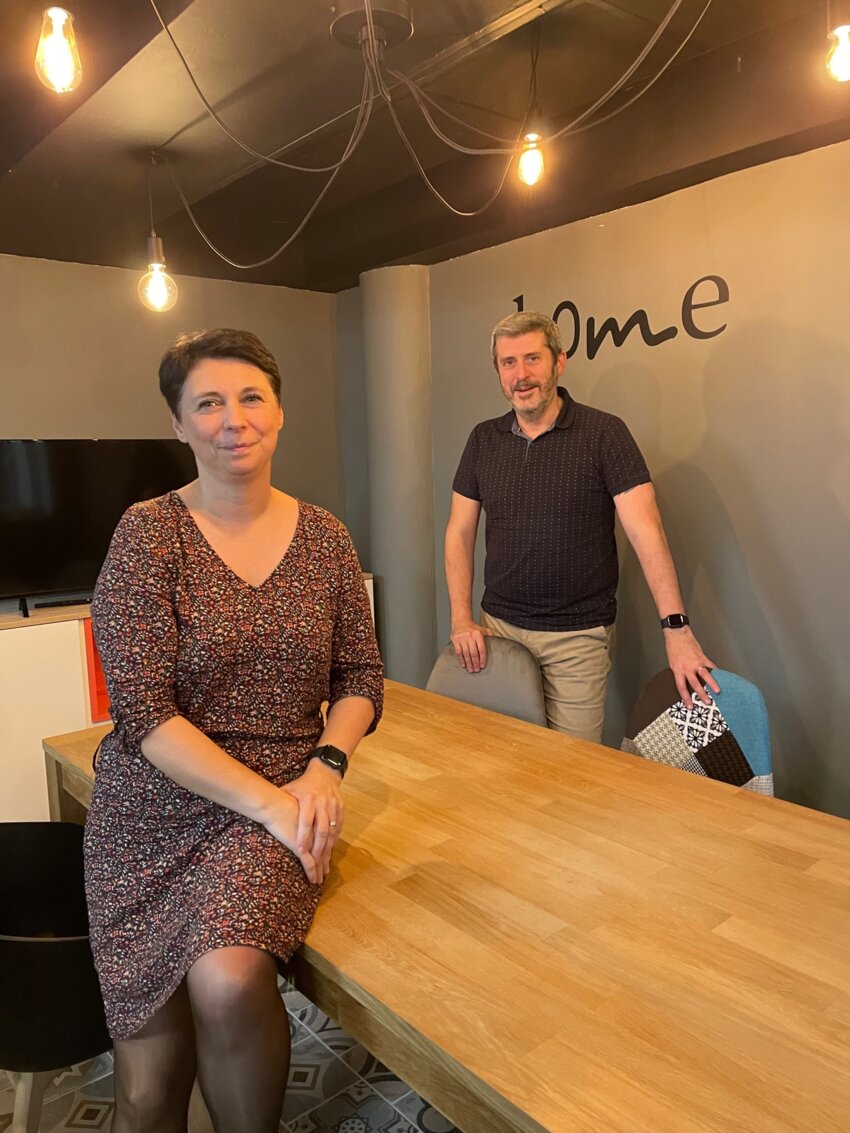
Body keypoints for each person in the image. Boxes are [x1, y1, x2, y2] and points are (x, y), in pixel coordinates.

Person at [83, 328, 383, 1133]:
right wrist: (277, 806)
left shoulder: (325, 538)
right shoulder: (147, 535)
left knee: (227, 980)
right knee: (149, 1089)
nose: (233, 418)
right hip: (152, 816)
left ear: (279, 411)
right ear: (179, 424)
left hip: (272, 807)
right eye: (208, 402)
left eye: (251, 397)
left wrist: (325, 767)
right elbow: (145, 714)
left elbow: (360, 677)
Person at [445, 310, 718, 744]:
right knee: (498, 759)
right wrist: (462, 619)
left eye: (532, 358)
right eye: (508, 362)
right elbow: (459, 532)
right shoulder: (483, 440)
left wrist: (677, 630)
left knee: (569, 771)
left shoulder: (605, 434)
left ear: (559, 361)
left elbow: (647, 532)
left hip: (576, 641)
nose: (521, 375)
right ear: (498, 371)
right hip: (498, 632)